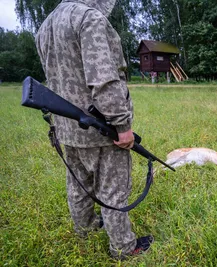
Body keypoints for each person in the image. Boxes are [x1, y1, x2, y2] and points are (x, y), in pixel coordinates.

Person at [35, 0, 153, 259]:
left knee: (79, 184)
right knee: (113, 189)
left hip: (67, 127)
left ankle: (85, 228)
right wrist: (122, 126)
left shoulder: (46, 25)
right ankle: (123, 248)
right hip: (101, 128)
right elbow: (104, 79)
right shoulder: (89, 18)